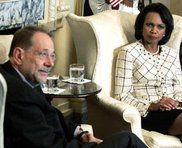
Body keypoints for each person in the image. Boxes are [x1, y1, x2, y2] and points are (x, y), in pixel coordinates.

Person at [0, 26, 147, 148]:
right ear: (19, 56)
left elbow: (51, 114)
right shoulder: (17, 93)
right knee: (128, 140)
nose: (50, 63)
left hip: (66, 141)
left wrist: (80, 133)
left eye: (52, 55)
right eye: (43, 54)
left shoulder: (21, 78)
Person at [114, 3, 182, 148]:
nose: (154, 30)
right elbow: (121, 96)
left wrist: (176, 102)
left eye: (160, 27)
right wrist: (153, 105)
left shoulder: (171, 55)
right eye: (149, 25)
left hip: (176, 109)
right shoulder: (128, 53)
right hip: (149, 114)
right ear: (141, 26)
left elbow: (181, 87)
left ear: (165, 32)